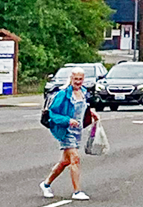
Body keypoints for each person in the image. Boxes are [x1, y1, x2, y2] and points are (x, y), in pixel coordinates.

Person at [40, 68, 98, 201]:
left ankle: (46, 184)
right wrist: (67, 120)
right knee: (75, 158)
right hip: (65, 130)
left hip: (77, 131)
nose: (78, 82)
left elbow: (84, 109)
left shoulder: (84, 92)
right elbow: (53, 113)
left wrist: (92, 114)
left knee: (65, 161)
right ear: (71, 79)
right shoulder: (63, 94)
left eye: (80, 79)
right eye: (75, 79)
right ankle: (77, 191)